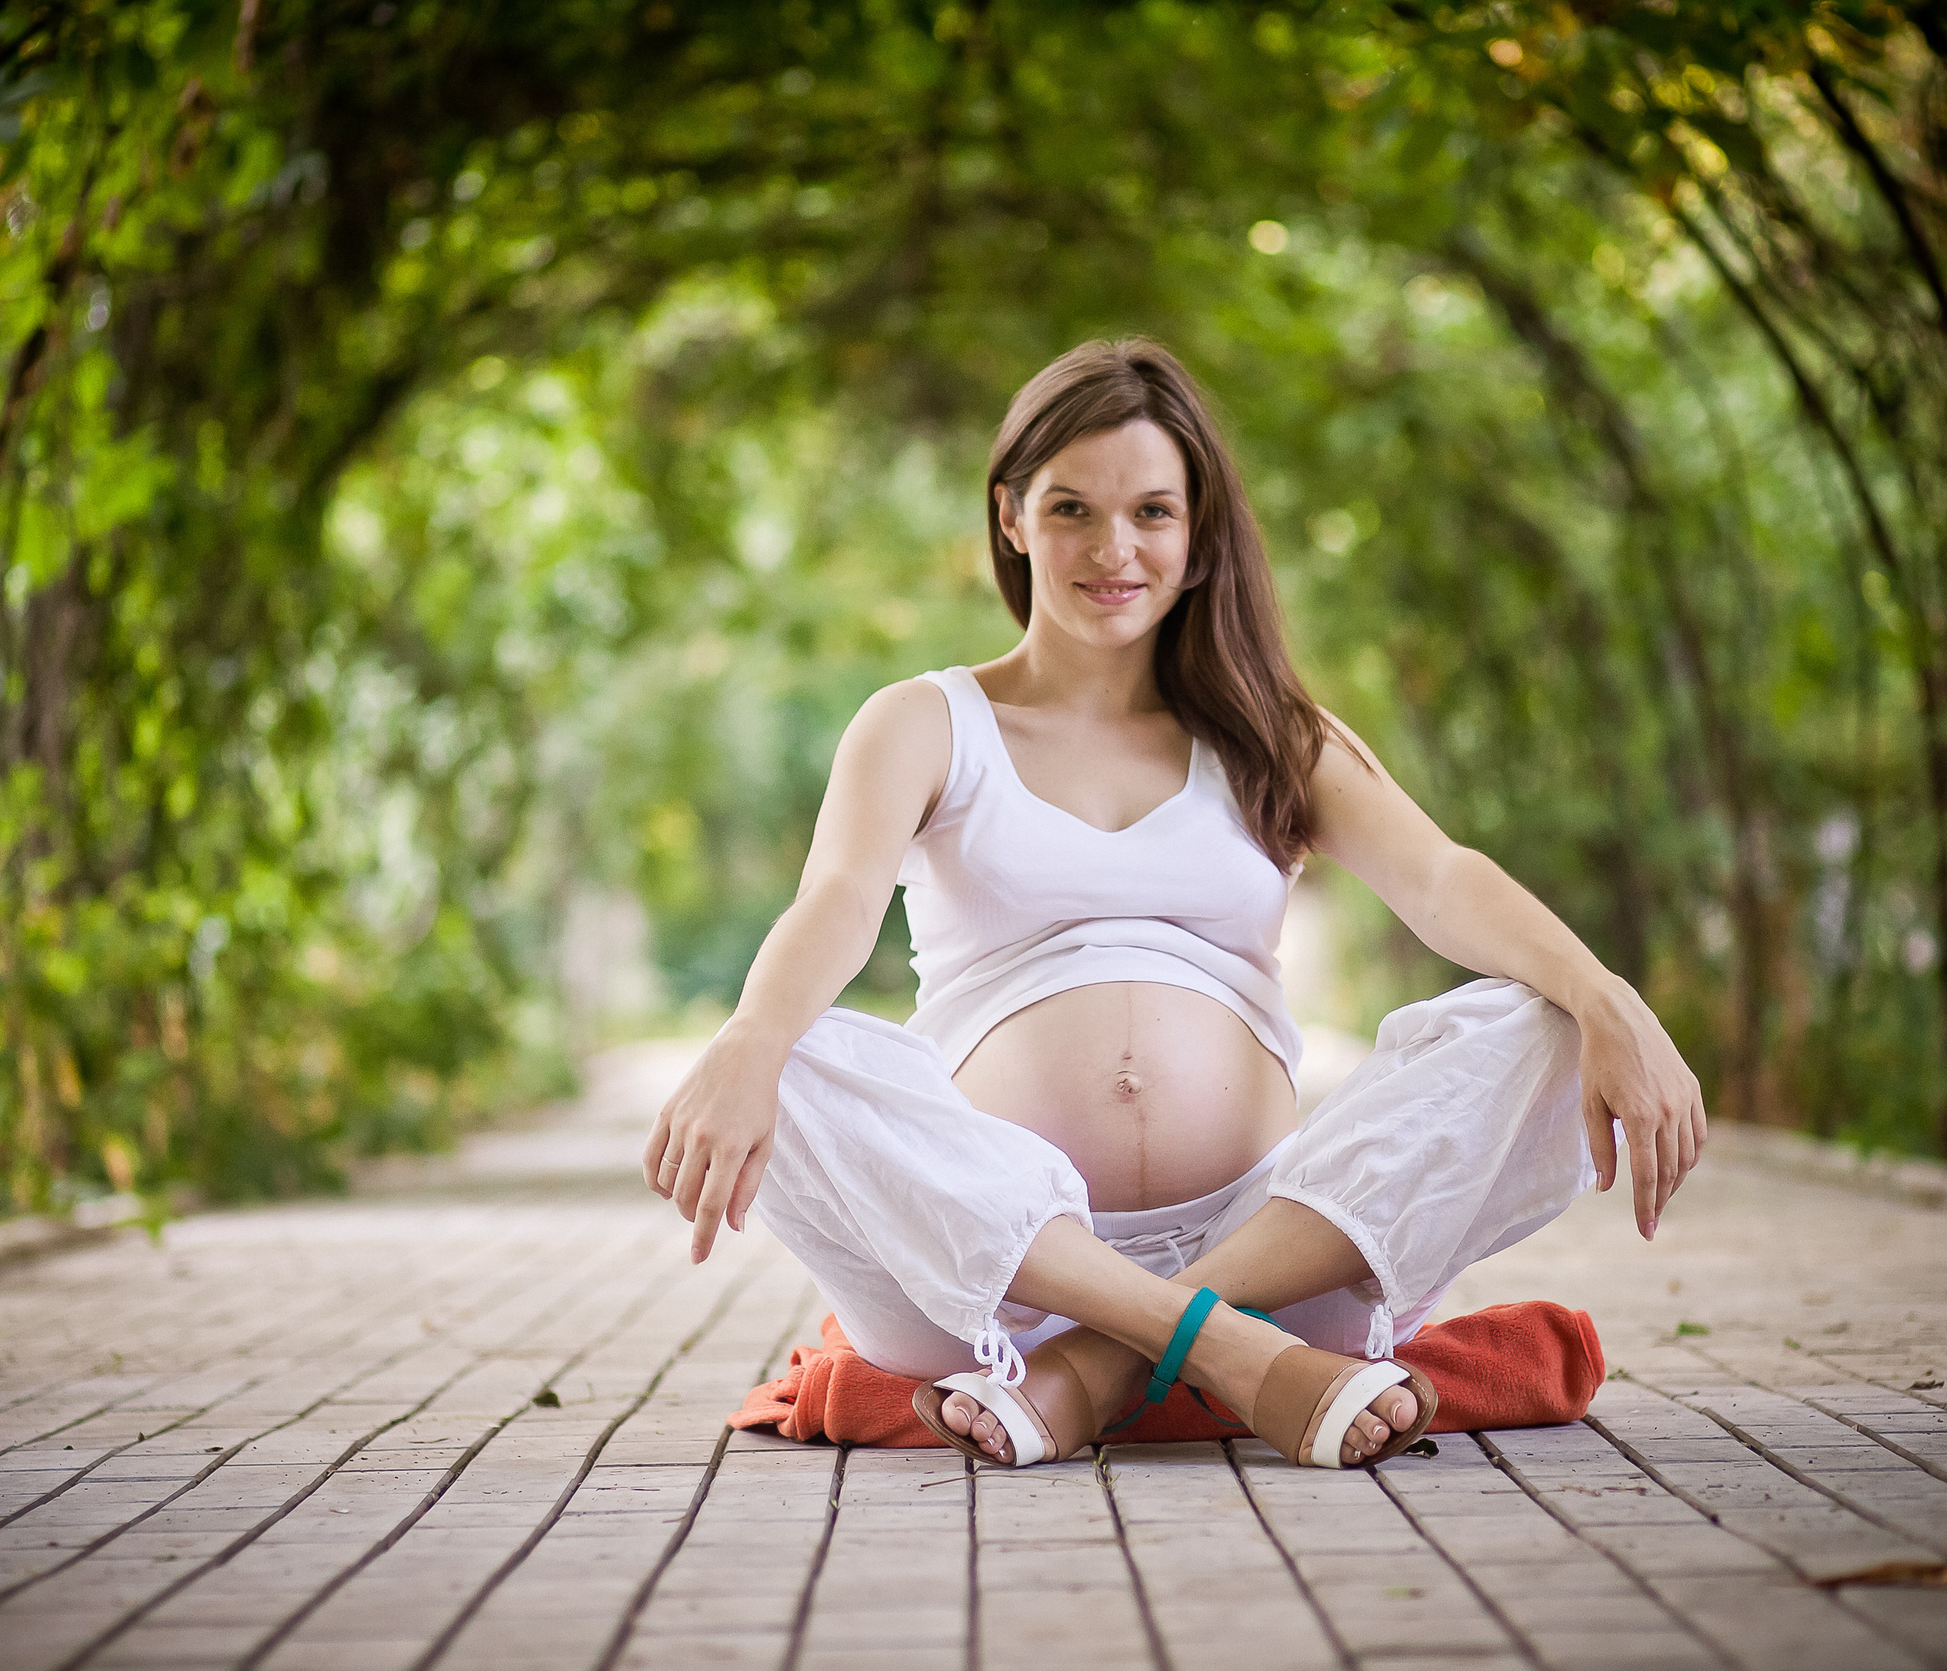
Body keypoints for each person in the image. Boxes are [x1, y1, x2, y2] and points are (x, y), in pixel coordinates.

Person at [645, 338, 1704, 1469]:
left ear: (1197, 534)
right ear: (1009, 517)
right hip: (994, 1283)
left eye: (1152, 511)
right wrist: (750, 1042)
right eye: (1071, 510)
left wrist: (1608, 998)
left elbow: (1441, 880)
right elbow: (838, 902)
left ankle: (1112, 1362)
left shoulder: (1270, 734)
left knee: (1540, 1016)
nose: (1114, 549)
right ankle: (1215, 1356)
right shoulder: (923, 723)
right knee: (793, 1057)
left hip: (1287, 1265)